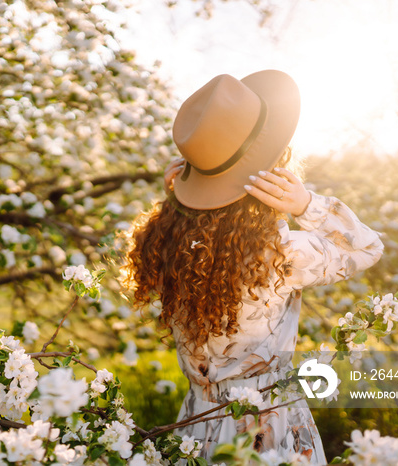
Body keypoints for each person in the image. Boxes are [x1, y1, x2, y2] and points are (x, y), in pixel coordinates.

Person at [122, 71, 384, 463]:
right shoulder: (280, 254)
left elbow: (193, 224)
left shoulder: (165, 246)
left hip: (196, 425)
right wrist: (306, 204)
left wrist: (178, 203)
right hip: (268, 429)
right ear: (272, 171)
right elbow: (367, 247)